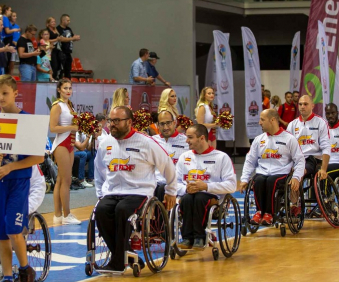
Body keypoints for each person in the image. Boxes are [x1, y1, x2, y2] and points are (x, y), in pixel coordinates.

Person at [0, 75, 44, 282]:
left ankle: (25, 270)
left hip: (18, 181)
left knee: (14, 230)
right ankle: (7, 281)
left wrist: (12, 167)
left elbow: (38, 157)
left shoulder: (28, 121)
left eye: (5, 93)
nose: (0, 98)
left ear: (15, 93)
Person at [93, 106, 177, 272]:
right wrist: (100, 194)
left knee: (122, 211)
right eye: (110, 121)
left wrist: (171, 191)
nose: (112, 125)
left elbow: (167, 165)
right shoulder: (106, 143)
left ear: (129, 122)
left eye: (117, 121)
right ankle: (127, 253)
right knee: (101, 211)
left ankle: (118, 261)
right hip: (113, 192)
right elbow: (99, 170)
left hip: (139, 192)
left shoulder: (146, 142)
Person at [238, 109, 304, 226]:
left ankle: (269, 213)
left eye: (262, 119)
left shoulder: (289, 139)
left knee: (271, 181)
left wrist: (296, 177)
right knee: (258, 180)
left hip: (281, 172)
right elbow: (250, 160)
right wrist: (244, 178)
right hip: (262, 172)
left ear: (272, 120)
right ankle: (259, 212)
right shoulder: (259, 139)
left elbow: (299, 160)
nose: (259, 122)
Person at [175, 124, 237, 249]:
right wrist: (185, 189)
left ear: (202, 138)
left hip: (212, 197)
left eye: (190, 137)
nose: (186, 141)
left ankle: (200, 237)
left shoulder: (221, 157)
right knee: (186, 199)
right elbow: (174, 183)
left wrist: (206, 186)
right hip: (189, 195)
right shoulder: (184, 157)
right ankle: (187, 238)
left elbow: (232, 185)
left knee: (199, 198)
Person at [49, 79, 81, 225]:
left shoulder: (70, 105)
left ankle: (58, 215)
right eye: (65, 88)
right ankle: (66, 215)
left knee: (61, 180)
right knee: (66, 180)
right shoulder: (57, 106)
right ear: (59, 90)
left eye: (70, 88)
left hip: (70, 143)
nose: (68, 90)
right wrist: (71, 128)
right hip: (61, 143)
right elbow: (53, 128)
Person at [287, 94, 331, 181]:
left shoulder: (321, 122)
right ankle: (292, 194)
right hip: (297, 159)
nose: (302, 106)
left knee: (298, 172)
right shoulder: (292, 124)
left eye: (305, 104)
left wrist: (323, 169)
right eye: (300, 104)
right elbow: (287, 147)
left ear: (312, 106)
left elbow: (326, 147)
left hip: (313, 159)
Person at [151, 110, 188, 200]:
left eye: (168, 123)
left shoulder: (186, 141)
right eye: (162, 124)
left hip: (177, 184)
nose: (165, 127)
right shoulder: (151, 141)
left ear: (174, 123)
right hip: (155, 184)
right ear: (157, 125)